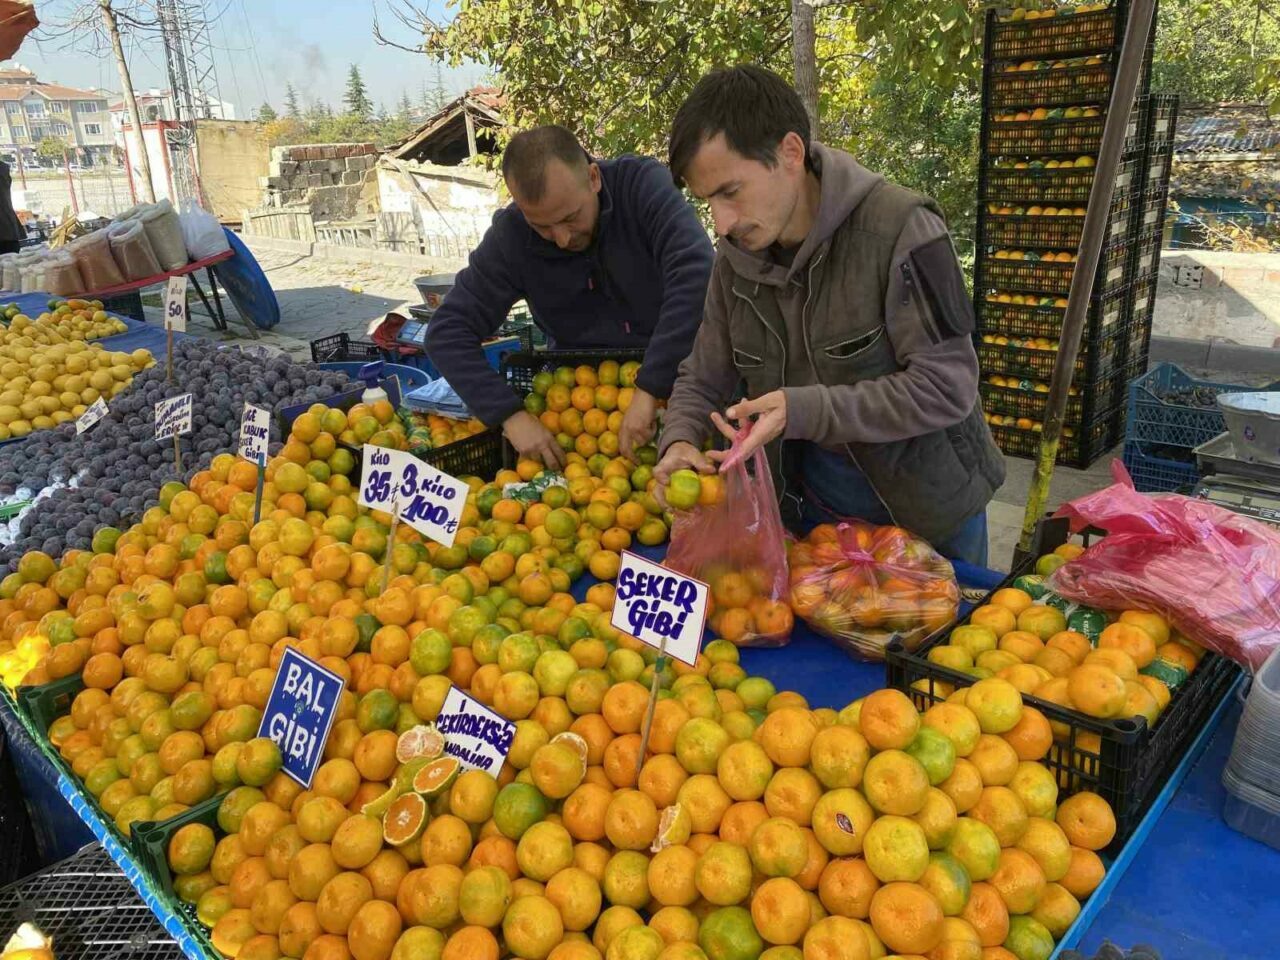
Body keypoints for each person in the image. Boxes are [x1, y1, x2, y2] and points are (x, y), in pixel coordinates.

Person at [654, 66, 1005, 566]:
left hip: (928, 516)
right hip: (814, 522)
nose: (722, 222)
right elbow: (704, 374)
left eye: (730, 192)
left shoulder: (903, 230)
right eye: (708, 200)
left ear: (790, 152)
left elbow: (946, 387)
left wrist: (803, 410)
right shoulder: (734, 263)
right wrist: (679, 440)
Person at [425, 125, 715, 468]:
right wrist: (510, 416)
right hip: (576, 409)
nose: (562, 239)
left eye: (570, 218)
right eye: (542, 227)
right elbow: (447, 331)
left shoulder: (640, 187)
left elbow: (697, 273)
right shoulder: (512, 237)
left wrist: (651, 386)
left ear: (593, 178)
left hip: (679, 385)